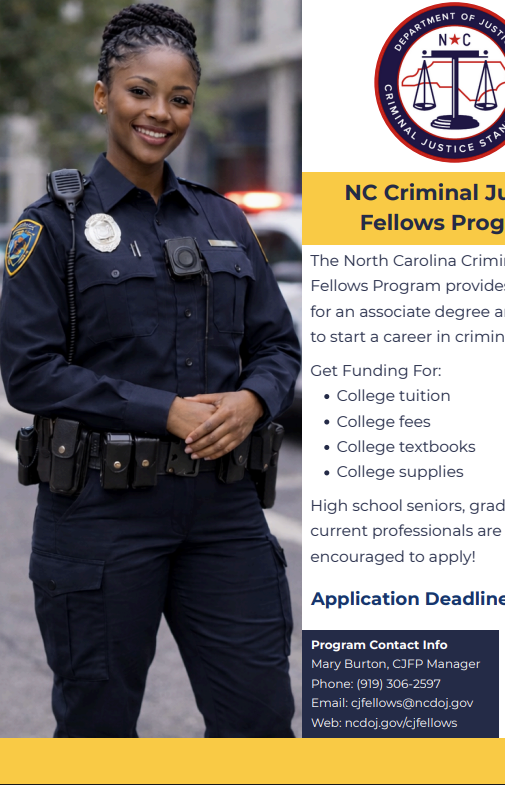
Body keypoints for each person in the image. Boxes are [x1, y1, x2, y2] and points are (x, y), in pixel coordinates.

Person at [0, 3, 300, 738]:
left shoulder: (224, 222)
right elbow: (30, 373)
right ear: (104, 95)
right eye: (140, 91)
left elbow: (278, 346)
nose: (159, 113)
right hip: (102, 517)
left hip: (224, 514)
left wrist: (253, 401)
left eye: (179, 98)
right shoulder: (54, 228)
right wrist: (160, 409)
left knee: (259, 722)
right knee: (98, 729)